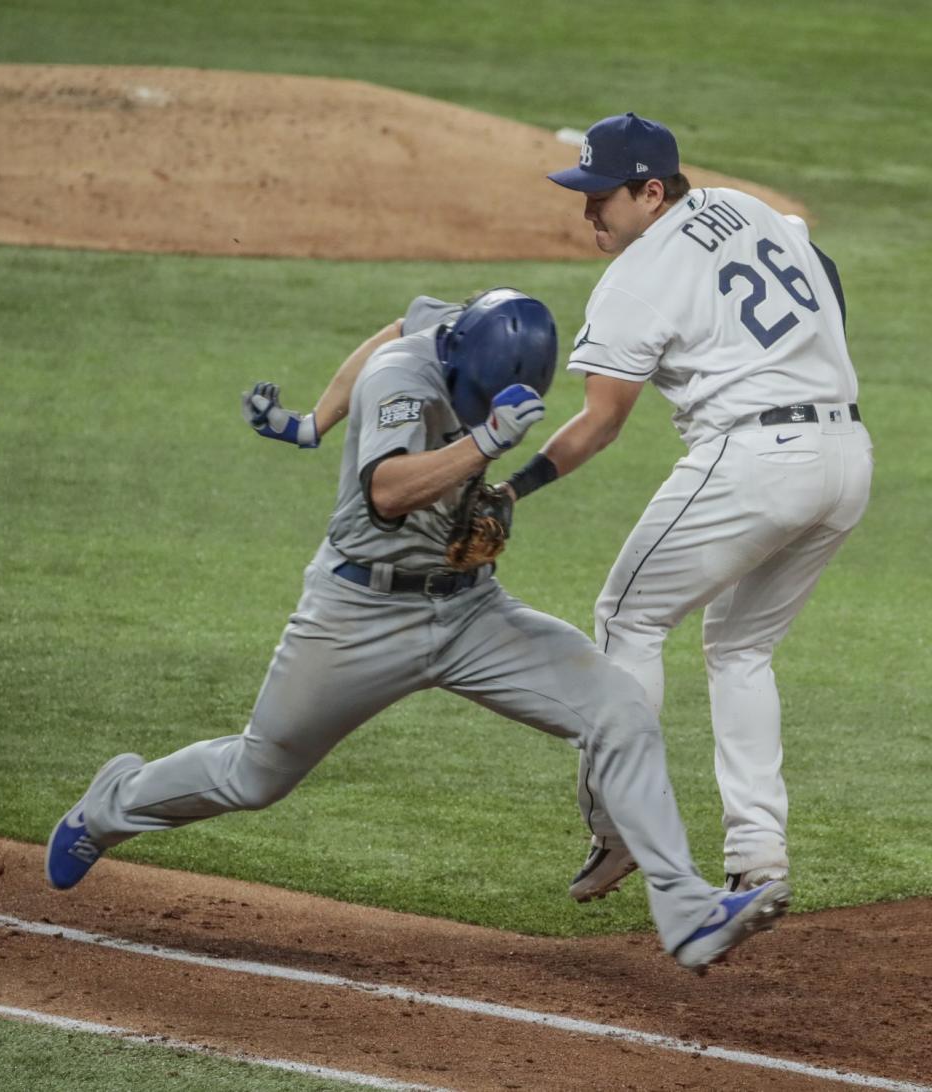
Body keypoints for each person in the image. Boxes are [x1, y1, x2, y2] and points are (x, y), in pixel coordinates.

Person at [45, 287, 790, 973]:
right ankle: (108, 808)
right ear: (457, 360)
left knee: (620, 710)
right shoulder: (402, 380)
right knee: (255, 774)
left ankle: (687, 911)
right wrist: (483, 444)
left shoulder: (462, 325)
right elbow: (388, 493)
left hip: (470, 611)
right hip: (359, 617)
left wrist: (313, 421)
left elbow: (395, 321)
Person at [499, 113, 873, 902]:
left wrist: (512, 490)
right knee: (740, 650)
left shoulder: (636, 279)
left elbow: (601, 423)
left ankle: (621, 826)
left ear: (651, 191)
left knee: (626, 620)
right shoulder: (747, 206)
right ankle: (759, 856)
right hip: (848, 461)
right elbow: (820, 264)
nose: (589, 211)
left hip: (757, 462)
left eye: (602, 196)